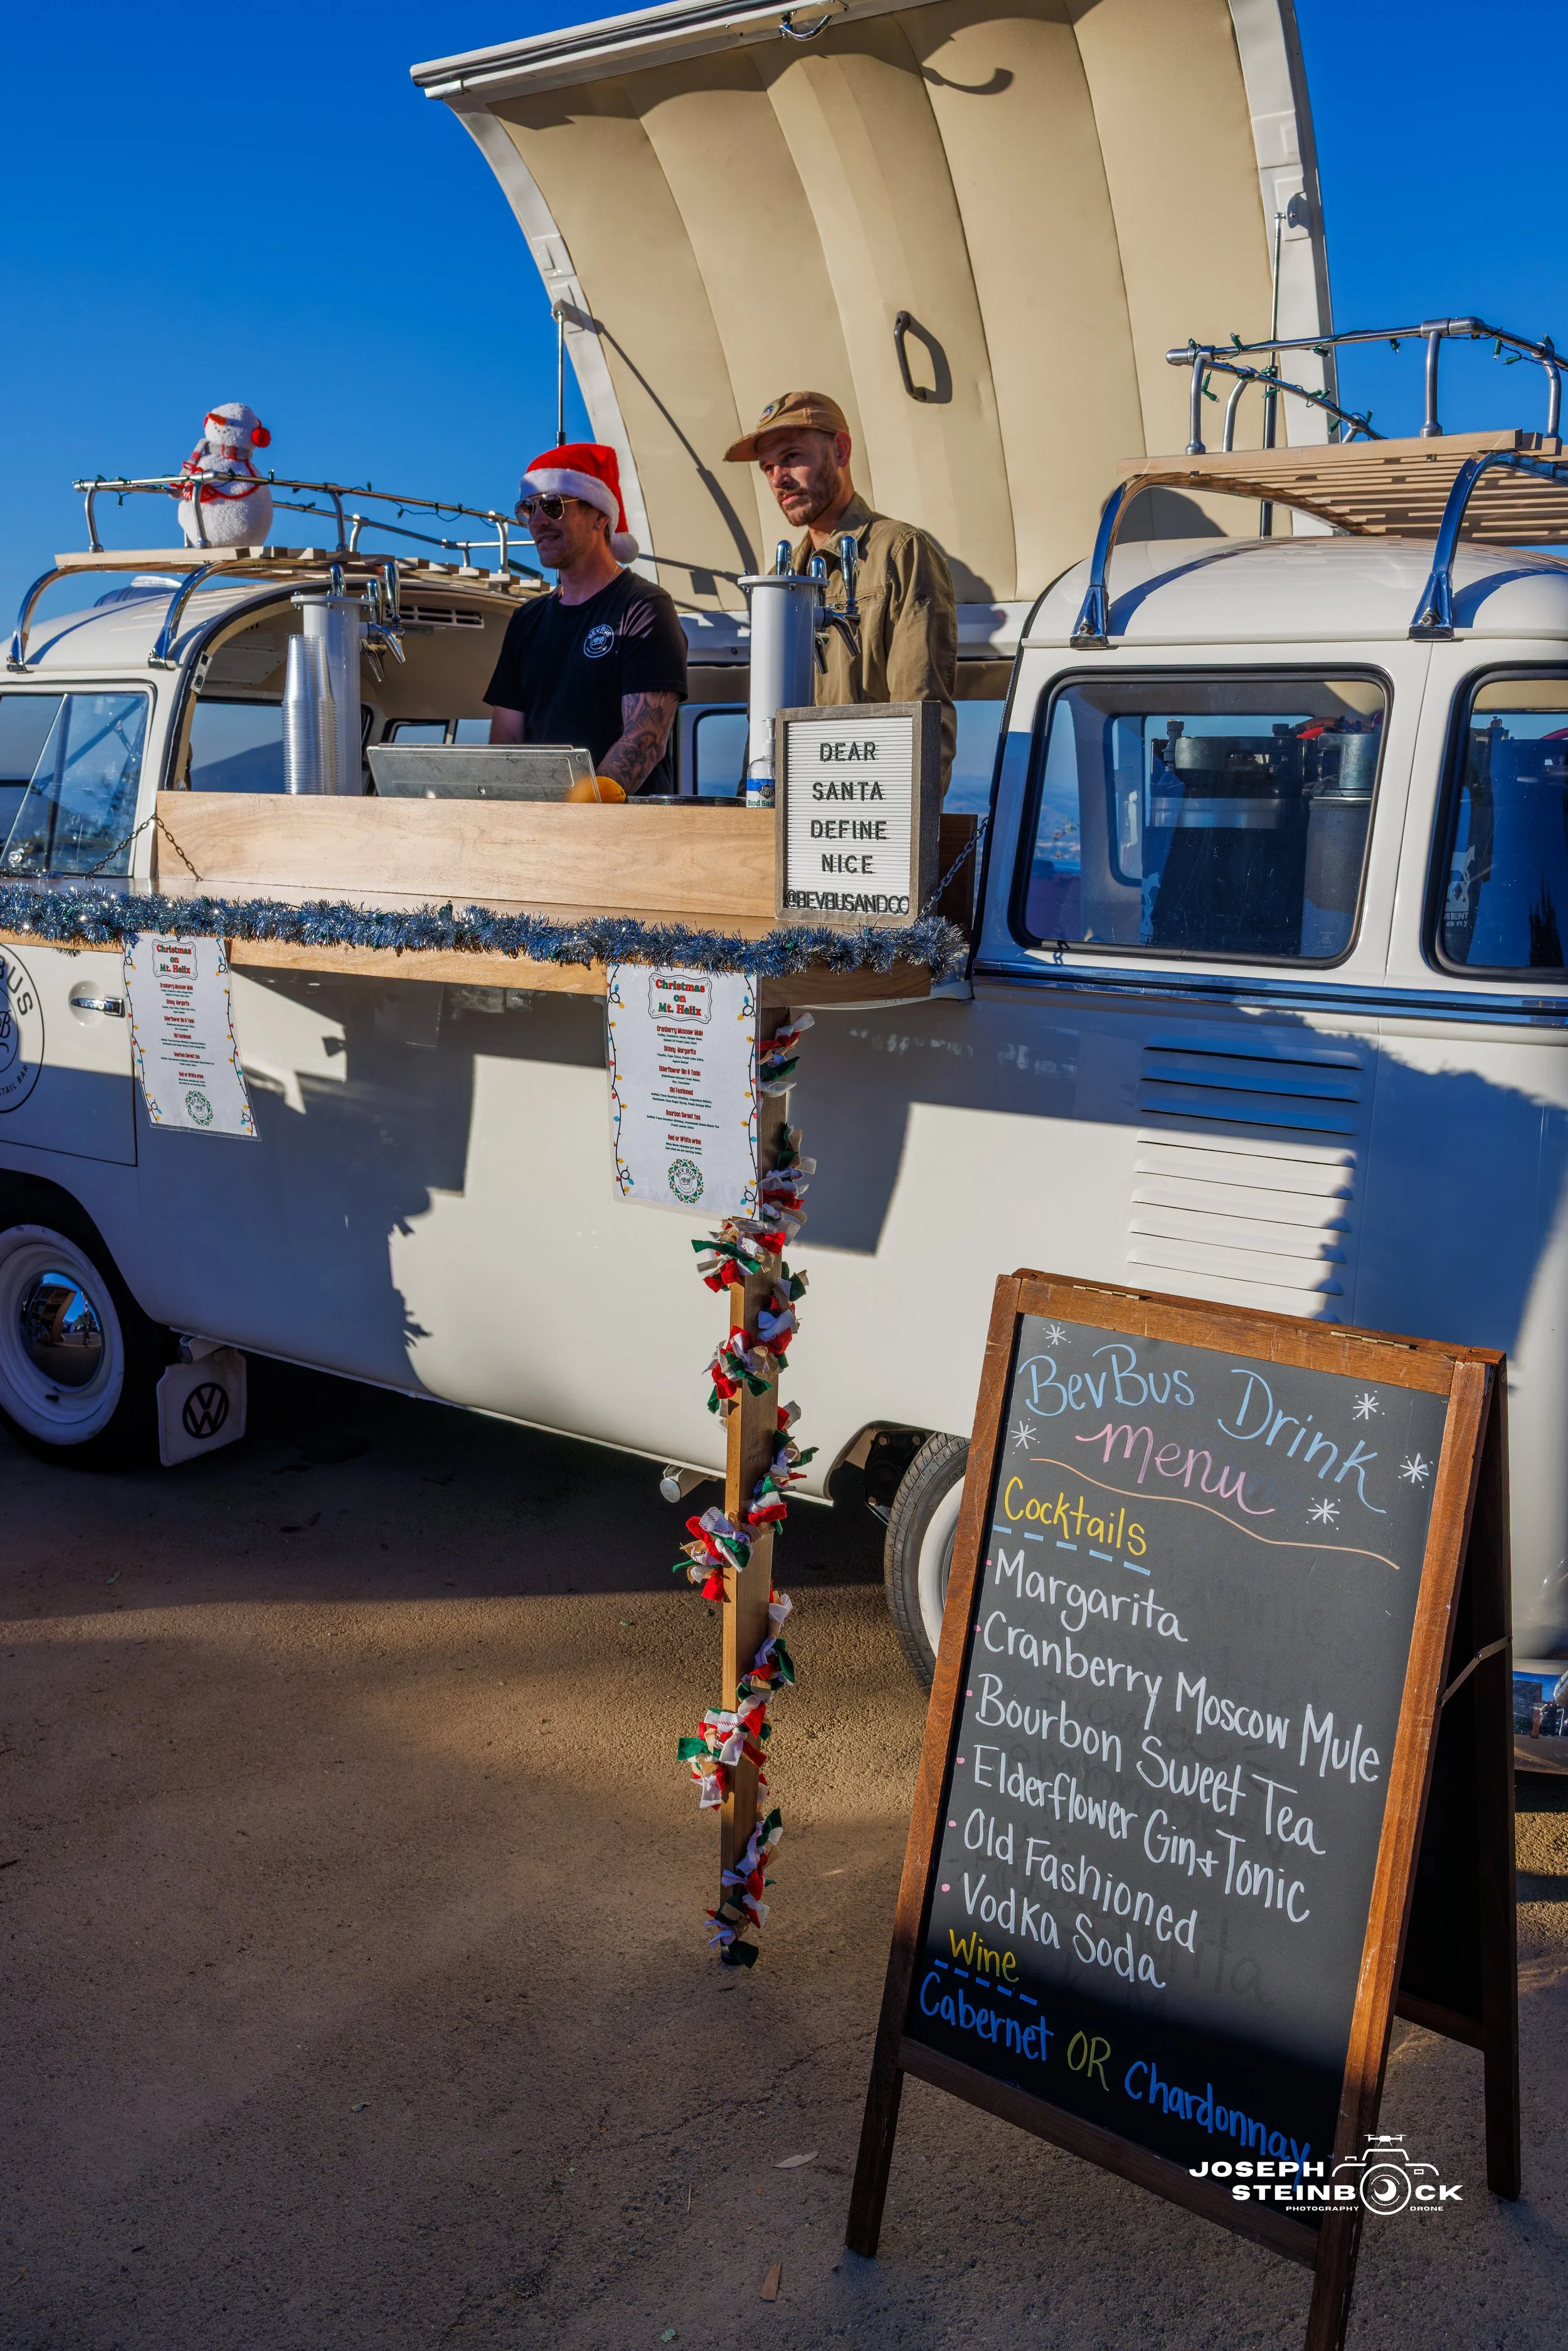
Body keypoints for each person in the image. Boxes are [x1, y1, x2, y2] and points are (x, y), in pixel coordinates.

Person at [724, 391, 956, 785]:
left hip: (864, 817)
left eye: (792, 457)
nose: (778, 478)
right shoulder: (778, 581)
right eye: (767, 467)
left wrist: (898, 831)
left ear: (842, 450)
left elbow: (920, 716)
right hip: (786, 820)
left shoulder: (900, 552)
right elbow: (762, 732)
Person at [485, 442, 688, 795]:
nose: (538, 521)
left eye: (553, 505)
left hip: (618, 835)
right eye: (527, 509)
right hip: (538, 828)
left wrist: (582, 808)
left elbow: (645, 741)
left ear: (600, 515)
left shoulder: (644, 606)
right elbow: (507, 740)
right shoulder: (525, 621)